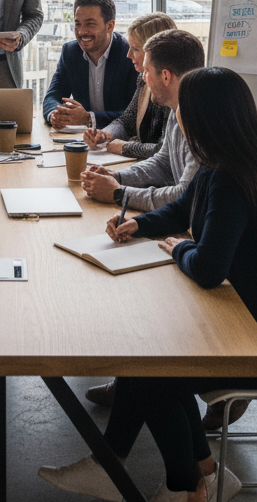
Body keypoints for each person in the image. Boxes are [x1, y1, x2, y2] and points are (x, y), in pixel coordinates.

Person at [39, 67, 257, 502]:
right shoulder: (228, 164)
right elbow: (179, 214)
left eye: (183, 110)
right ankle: (159, 470)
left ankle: (182, 487)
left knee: (154, 370)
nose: (177, 118)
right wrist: (138, 225)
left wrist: (177, 251)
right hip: (256, 315)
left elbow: (207, 268)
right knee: (146, 355)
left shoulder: (231, 178)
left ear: (204, 117)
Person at [77, 27, 205, 407]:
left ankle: (134, 379)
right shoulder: (177, 109)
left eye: (145, 68)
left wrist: (119, 194)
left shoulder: (199, 120)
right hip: (182, 231)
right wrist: (117, 176)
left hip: (194, 239)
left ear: (165, 76)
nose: (140, 76)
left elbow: (186, 195)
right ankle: (129, 383)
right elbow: (164, 162)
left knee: (140, 299)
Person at [83, 12, 178, 159]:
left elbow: (164, 150)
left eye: (135, 49)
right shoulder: (143, 79)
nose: (128, 55)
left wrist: (126, 147)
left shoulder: (174, 90)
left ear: (155, 52)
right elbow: (127, 121)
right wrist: (105, 135)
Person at [43, 0, 138, 131]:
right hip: (84, 139)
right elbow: (52, 96)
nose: (82, 32)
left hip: (122, 140)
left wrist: (89, 118)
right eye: (77, 24)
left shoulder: (129, 55)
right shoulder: (70, 52)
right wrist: (55, 115)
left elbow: (134, 115)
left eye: (90, 24)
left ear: (110, 26)